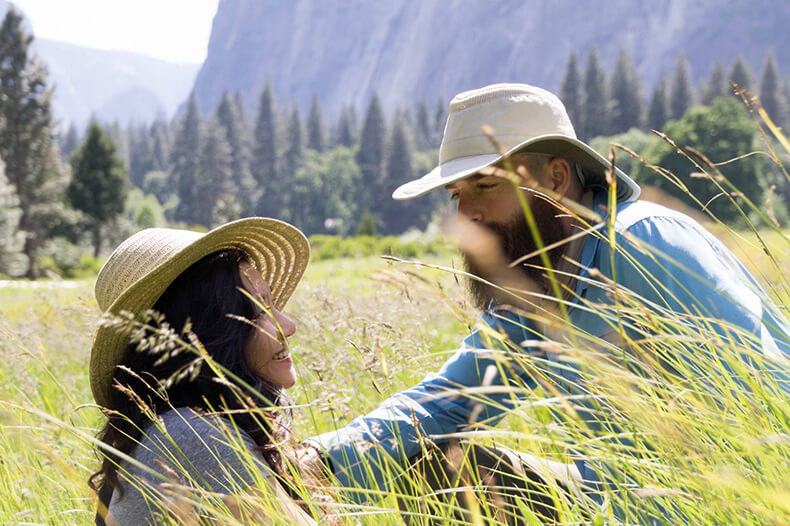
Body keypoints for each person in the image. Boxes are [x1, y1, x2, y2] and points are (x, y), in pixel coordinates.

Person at [305, 84, 790, 519]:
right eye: (456, 193)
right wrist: (316, 458)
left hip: (723, 502)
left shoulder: (648, 246)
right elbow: (448, 403)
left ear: (556, 178)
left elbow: (763, 403)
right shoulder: (533, 290)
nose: (466, 213)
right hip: (610, 501)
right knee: (440, 467)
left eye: (486, 185)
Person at [88, 218, 326, 525]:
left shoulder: (177, 425)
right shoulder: (192, 435)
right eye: (260, 309)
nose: (289, 327)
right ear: (209, 332)